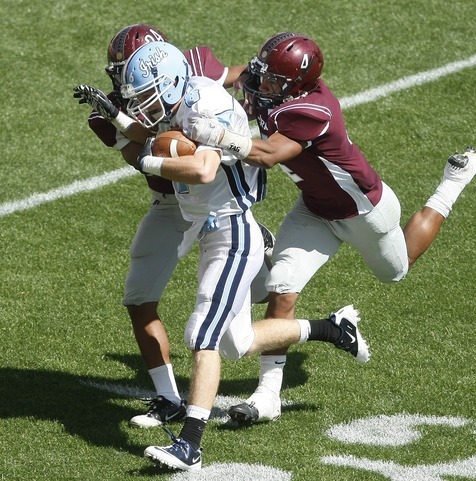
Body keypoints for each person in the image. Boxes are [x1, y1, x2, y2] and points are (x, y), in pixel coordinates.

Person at [189, 31, 476, 425]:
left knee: (397, 270)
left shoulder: (312, 109)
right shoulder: (275, 89)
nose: (263, 85)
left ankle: (454, 180)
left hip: (364, 212)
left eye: (273, 81)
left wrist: (218, 133)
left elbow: (267, 154)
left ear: (296, 85)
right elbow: (237, 76)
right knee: (281, 289)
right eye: (265, 76)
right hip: (313, 210)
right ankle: (268, 396)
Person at [118, 40, 371, 471]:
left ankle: (190, 445)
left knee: (202, 333)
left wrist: (150, 161)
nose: (144, 104)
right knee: (236, 342)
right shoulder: (183, 98)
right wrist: (120, 116)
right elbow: (157, 134)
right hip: (212, 228)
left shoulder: (202, 107)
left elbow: (203, 169)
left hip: (232, 228)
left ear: (174, 83)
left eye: (147, 94)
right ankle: (331, 329)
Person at [72, 23, 271, 428]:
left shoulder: (192, 79)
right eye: (117, 71)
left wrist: (249, 87)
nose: (118, 79)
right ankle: (168, 399)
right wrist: (119, 118)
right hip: (170, 203)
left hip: (213, 201)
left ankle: (256, 249)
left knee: (228, 329)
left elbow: (221, 86)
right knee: (139, 297)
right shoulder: (108, 112)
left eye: (123, 68)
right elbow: (142, 147)